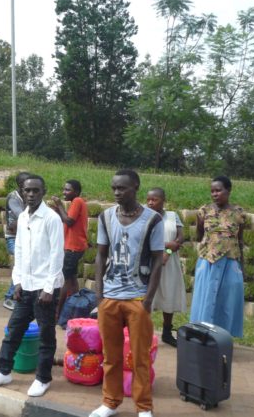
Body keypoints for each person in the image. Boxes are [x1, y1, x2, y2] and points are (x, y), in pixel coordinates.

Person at [89, 170, 164, 417]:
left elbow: (156, 261)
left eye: (122, 188)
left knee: (140, 357)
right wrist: (99, 296)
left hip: (137, 298)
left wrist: (148, 300)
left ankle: (144, 408)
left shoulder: (153, 220)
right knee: (110, 356)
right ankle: (110, 402)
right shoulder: (106, 216)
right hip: (110, 298)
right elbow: (100, 255)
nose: (117, 193)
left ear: (136, 187)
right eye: (114, 188)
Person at [0, 175, 64, 398]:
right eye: (27, 191)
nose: (31, 194)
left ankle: (43, 378)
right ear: (22, 191)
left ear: (43, 191)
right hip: (25, 286)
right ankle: (3, 371)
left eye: (35, 191)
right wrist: (17, 281)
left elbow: (57, 255)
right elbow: (18, 250)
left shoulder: (51, 218)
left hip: (44, 288)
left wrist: (48, 289)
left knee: (46, 336)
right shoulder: (23, 217)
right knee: (13, 331)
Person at [189, 176, 246, 338]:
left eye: (219, 190)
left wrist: (243, 266)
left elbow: (239, 240)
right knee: (204, 298)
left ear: (229, 190)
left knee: (226, 300)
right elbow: (200, 234)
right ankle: (201, 335)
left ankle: (222, 337)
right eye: (212, 191)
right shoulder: (204, 211)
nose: (215, 194)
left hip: (230, 263)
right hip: (208, 262)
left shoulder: (239, 213)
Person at [146, 187, 185, 347]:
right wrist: (166, 245)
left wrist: (168, 250)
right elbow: (143, 239)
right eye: (148, 199)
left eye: (154, 200)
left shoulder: (172, 216)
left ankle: (167, 332)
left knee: (169, 294)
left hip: (169, 263)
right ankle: (144, 331)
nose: (150, 203)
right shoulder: (143, 216)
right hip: (148, 261)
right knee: (147, 297)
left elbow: (180, 238)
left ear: (163, 201)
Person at [51, 179, 88, 320]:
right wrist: (59, 210)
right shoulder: (76, 202)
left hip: (73, 247)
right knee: (72, 280)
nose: (64, 192)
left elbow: (69, 221)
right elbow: (68, 219)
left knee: (65, 280)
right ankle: (74, 310)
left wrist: (59, 205)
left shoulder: (77, 201)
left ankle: (58, 313)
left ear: (76, 192)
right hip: (73, 246)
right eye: (64, 189)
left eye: (67, 190)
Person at [2, 172, 30, 311]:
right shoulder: (13, 197)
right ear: (20, 185)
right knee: (22, 264)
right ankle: (9, 297)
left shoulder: (29, 196)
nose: (29, 189)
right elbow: (23, 216)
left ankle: (16, 295)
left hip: (24, 235)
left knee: (23, 264)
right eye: (26, 185)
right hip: (13, 237)